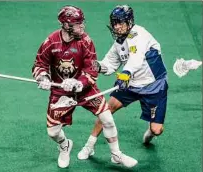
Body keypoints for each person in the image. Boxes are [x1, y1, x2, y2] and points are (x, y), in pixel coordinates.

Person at [32, 5, 138, 168]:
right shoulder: (51, 42)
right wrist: (42, 77)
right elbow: (39, 63)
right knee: (52, 132)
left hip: (85, 90)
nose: (82, 26)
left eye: (82, 22)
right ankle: (64, 145)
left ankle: (116, 154)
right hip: (61, 92)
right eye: (78, 23)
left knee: (107, 119)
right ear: (66, 25)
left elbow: (91, 69)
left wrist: (78, 83)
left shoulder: (86, 41)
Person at [78, 4, 168, 160]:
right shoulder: (119, 43)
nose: (117, 26)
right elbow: (110, 64)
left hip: (153, 86)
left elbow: (136, 59)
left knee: (157, 130)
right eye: (114, 23)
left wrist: (125, 74)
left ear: (129, 21)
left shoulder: (139, 34)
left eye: (120, 22)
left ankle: (151, 132)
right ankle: (89, 146)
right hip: (130, 84)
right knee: (105, 110)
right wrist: (95, 65)